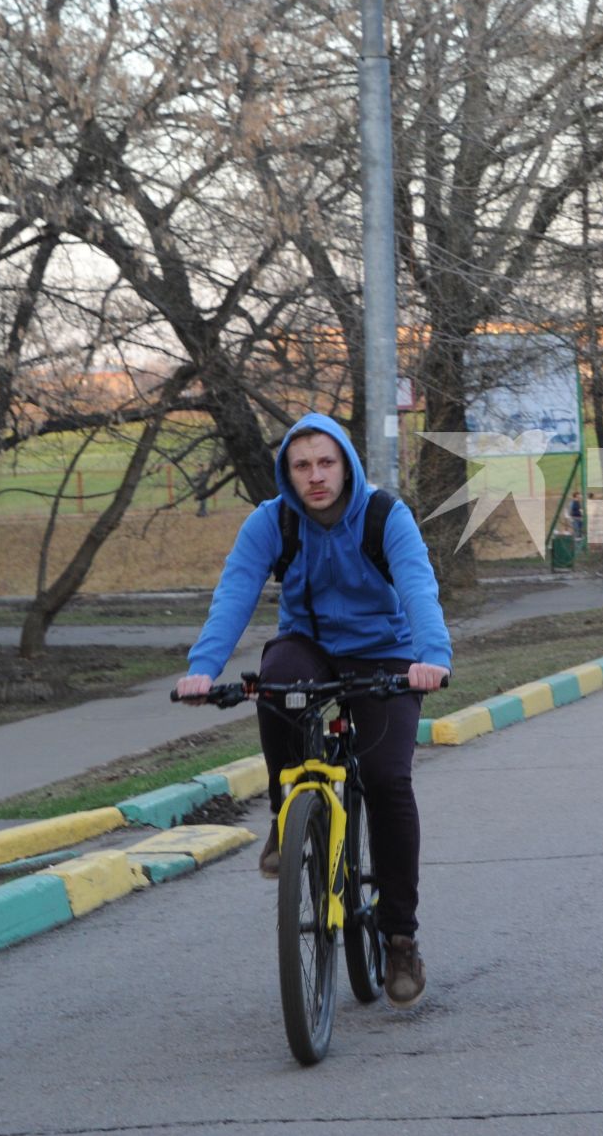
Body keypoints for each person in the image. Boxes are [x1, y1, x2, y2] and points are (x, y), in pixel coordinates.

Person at [175, 414, 451, 1008]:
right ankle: (287, 813)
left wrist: (431, 657)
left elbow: (417, 586)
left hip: (386, 654)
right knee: (274, 683)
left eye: (326, 463)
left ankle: (399, 937)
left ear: (345, 463)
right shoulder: (272, 521)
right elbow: (236, 591)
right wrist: (203, 668)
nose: (315, 476)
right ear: (288, 473)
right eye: (302, 466)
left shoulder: (384, 516)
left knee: (385, 780)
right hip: (311, 647)